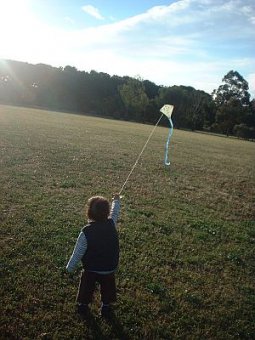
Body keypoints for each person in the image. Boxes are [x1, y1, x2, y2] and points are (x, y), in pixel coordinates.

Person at [66, 194, 121, 319]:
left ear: (89, 213)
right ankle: (106, 306)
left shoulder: (86, 232)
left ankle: (83, 305)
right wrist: (116, 201)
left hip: (91, 268)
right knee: (108, 286)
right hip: (109, 267)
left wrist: (70, 267)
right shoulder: (111, 223)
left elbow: (78, 252)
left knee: (86, 286)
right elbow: (115, 212)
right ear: (107, 213)